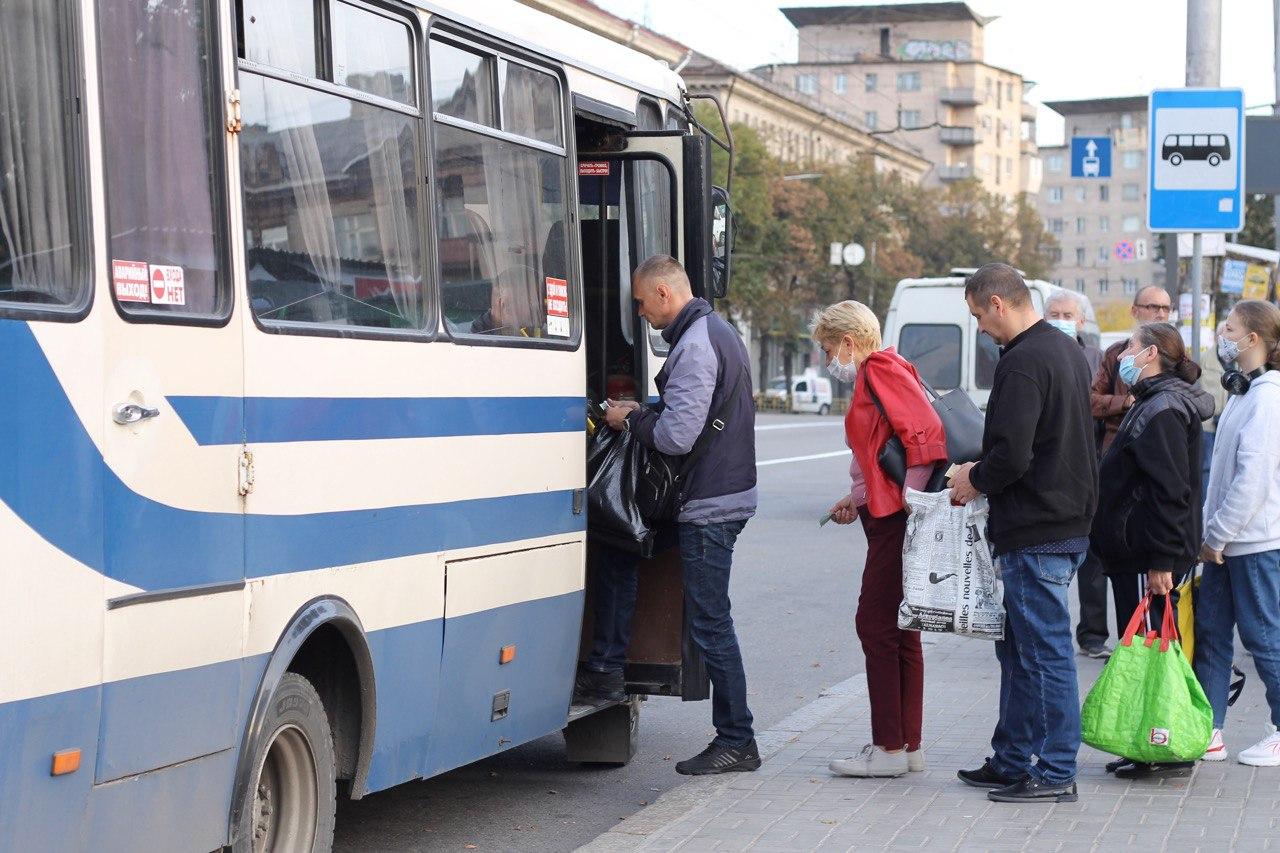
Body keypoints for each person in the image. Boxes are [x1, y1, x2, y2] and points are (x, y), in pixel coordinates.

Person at [583, 254, 760, 775]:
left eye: (640, 302)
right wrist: (645, 411)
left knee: (711, 622)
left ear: (664, 293)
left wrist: (630, 422)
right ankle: (610, 668)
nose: (639, 313)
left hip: (709, 502)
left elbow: (677, 436)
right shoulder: (712, 332)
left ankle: (737, 740)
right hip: (718, 495)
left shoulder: (696, 344)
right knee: (625, 555)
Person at [949, 263, 1097, 804]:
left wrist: (973, 479)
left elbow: (1012, 453)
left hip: (1038, 527)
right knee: (1018, 651)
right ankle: (1012, 757)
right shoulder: (1064, 351)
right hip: (1061, 519)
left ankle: (1057, 769)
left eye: (978, 317)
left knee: (1045, 653)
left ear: (997, 302)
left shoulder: (1024, 361)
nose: (980, 330)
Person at [813, 300, 947, 778]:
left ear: (848, 341)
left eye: (830, 349)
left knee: (875, 625)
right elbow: (881, 450)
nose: (831, 360)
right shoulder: (889, 367)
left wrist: (908, 500)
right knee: (901, 629)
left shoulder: (879, 368)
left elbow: (925, 435)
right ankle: (908, 745)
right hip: (888, 512)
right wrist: (860, 496)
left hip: (895, 520)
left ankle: (887, 747)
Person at [1090, 322, 1213, 779]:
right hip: (1140, 549)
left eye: (1132, 348)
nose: (1125, 355)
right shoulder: (1155, 401)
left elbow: (1169, 490)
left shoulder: (1161, 407)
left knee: (1155, 651)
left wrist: (1160, 560)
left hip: (1150, 552)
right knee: (1147, 648)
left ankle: (1163, 745)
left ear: (1151, 354)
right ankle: (1148, 739)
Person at [1195, 299, 1280, 767]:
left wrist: (1218, 535)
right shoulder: (1245, 392)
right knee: (1211, 633)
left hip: (1252, 543)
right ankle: (1208, 728)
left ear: (1252, 340)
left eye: (1228, 329)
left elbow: (1253, 480)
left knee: (1264, 636)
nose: (1221, 338)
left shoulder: (1268, 397)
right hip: (1225, 543)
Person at [1046, 290, 1110, 658]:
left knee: (1092, 555)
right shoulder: (1031, 351)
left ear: (1081, 320)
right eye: (1054, 313)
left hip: (1089, 463)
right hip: (1051, 466)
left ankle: (1092, 635)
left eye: (1067, 313)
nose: (1061, 319)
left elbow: (1102, 405)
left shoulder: (1096, 358)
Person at [1092, 286, 1174, 455]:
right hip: (1117, 452)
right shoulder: (1116, 354)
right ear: (1134, 311)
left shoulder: (1178, 357)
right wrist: (1125, 402)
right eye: (1153, 307)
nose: (1161, 314)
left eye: (1166, 308)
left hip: (1159, 451)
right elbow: (1091, 402)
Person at [1196, 321, 1230, 505]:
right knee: (1206, 467)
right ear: (1217, 337)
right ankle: (1205, 506)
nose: (1225, 337)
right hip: (1208, 425)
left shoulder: (1239, 361)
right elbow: (1196, 389)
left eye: (1229, 332)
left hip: (1230, 424)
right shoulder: (1204, 359)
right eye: (1222, 333)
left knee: (1228, 467)